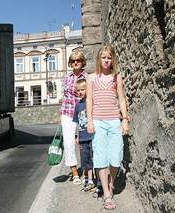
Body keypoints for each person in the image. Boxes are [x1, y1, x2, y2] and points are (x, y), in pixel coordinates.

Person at [86, 45, 129, 210]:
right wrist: (90, 121)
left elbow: (122, 99)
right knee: (101, 158)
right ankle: (107, 194)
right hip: (98, 122)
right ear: (99, 59)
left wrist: (124, 120)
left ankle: (111, 181)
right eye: (103, 57)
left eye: (109, 58)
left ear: (113, 60)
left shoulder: (116, 78)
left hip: (114, 122)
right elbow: (89, 100)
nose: (106, 60)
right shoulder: (91, 78)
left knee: (116, 156)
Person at [60, 50, 87, 185]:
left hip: (83, 112)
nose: (75, 62)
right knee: (68, 143)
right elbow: (65, 97)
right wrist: (61, 114)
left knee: (86, 142)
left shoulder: (87, 77)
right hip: (68, 113)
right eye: (73, 61)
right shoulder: (66, 77)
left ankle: (89, 170)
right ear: (70, 63)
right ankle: (75, 172)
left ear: (82, 62)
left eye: (78, 60)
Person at [72, 79, 95, 191]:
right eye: (78, 90)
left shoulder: (91, 102)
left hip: (92, 136)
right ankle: (89, 179)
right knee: (85, 160)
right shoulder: (77, 106)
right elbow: (76, 122)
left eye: (82, 90)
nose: (80, 92)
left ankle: (98, 180)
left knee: (95, 158)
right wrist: (76, 136)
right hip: (82, 137)